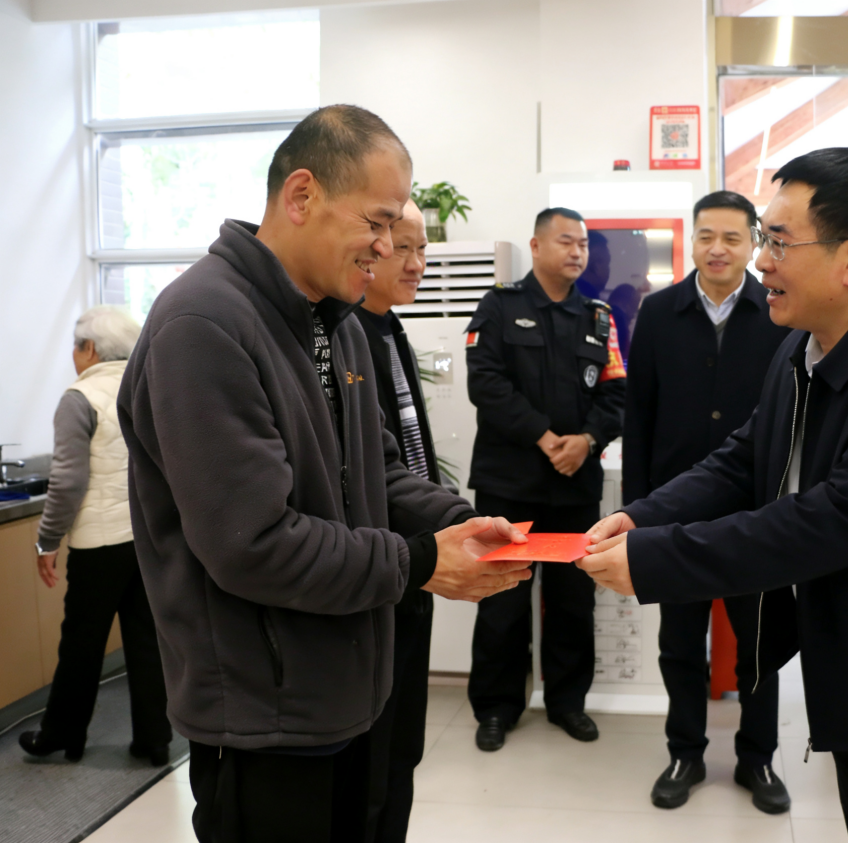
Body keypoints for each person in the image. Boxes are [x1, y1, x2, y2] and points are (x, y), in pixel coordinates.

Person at [117, 105, 532, 843]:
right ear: (302, 195)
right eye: (377, 222)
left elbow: (374, 473)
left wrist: (454, 520)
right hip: (265, 716)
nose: (388, 247)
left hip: (350, 692)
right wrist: (421, 562)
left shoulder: (333, 322)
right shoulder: (203, 325)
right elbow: (254, 544)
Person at [580, 147, 848, 843]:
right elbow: (745, 456)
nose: (760, 261)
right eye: (764, 239)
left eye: (779, 242)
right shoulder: (802, 346)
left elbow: (830, 520)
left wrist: (657, 558)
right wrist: (642, 516)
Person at [621, 190, 791, 813]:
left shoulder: (778, 310)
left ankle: (758, 758)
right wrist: (638, 510)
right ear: (691, 241)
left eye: (731, 237)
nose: (717, 249)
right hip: (674, 510)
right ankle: (685, 752)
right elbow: (638, 416)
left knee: (759, 644)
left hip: (755, 511)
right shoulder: (658, 311)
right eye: (705, 236)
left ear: (753, 244)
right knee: (680, 642)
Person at [464, 207, 626, 751]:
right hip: (508, 486)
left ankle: (567, 703)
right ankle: (496, 708)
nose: (577, 251)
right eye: (565, 241)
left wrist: (587, 440)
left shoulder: (599, 318)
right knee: (502, 600)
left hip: (574, 485)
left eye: (583, 243)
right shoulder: (499, 305)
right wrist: (543, 435)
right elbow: (485, 382)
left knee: (573, 600)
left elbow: (616, 392)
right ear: (535, 247)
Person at [20, 306, 170, 767]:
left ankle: (61, 734)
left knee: (82, 643)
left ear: (89, 349)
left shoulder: (79, 398)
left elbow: (67, 482)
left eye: (75, 345)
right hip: (145, 538)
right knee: (147, 641)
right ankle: (155, 740)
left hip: (99, 544)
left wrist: (47, 541)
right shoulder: (148, 387)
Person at [351, 200, 441, 842]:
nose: (415, 264)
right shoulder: (344, 335)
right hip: (381, 568)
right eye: (401, 247)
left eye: (421, 249)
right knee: (372, 763)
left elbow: (411, 456)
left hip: (417, 561)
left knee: (403, 748)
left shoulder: (390, 329)